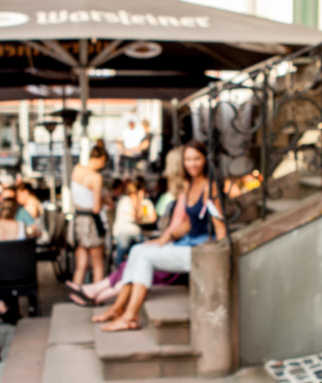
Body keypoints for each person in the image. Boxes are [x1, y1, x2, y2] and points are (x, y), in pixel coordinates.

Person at [94, 141, 226, 331]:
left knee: (144, 256)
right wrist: (163, 240)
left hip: (200, 250)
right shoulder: (189, 185)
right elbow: (188, 224)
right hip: (185, 243)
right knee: (138, 249)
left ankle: (129, 316)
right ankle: (118, 308)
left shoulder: (209, 187)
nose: (192, 163)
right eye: (188, 159)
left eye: (197, 158)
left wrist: (222, 258)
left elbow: (218, 224)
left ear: (205, 160)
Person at [68, 145, 109, 285]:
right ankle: (96, 297)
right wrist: (105, 199)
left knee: (81, 264)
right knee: (98, 264)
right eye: (104, 162)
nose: (103, 166)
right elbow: (96, 208)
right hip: (91, 222)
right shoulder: (96, 177)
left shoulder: (77, 169)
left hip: (77, 221)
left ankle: (75, 293)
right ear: (100, 159)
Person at [111, 177, 157, 266]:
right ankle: (117, 267)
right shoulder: (125, 201)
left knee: (145, 246)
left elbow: (151, 217)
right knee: (124, 244)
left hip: (138, 232)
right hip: (123, 231)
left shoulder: (144, 203)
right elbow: (138, 218)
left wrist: (139, 204)